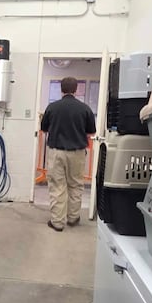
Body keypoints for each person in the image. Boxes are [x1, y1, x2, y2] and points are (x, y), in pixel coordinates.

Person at [40, 76, 96, 232]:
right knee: (76, 185)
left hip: (56, 152)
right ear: (76, 89)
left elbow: (44, 129)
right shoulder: (85, 109)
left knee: (57, 186)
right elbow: (91, 132)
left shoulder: (52, 107)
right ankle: (73, 218)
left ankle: (57, 222)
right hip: (77, 153)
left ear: (61, 89)